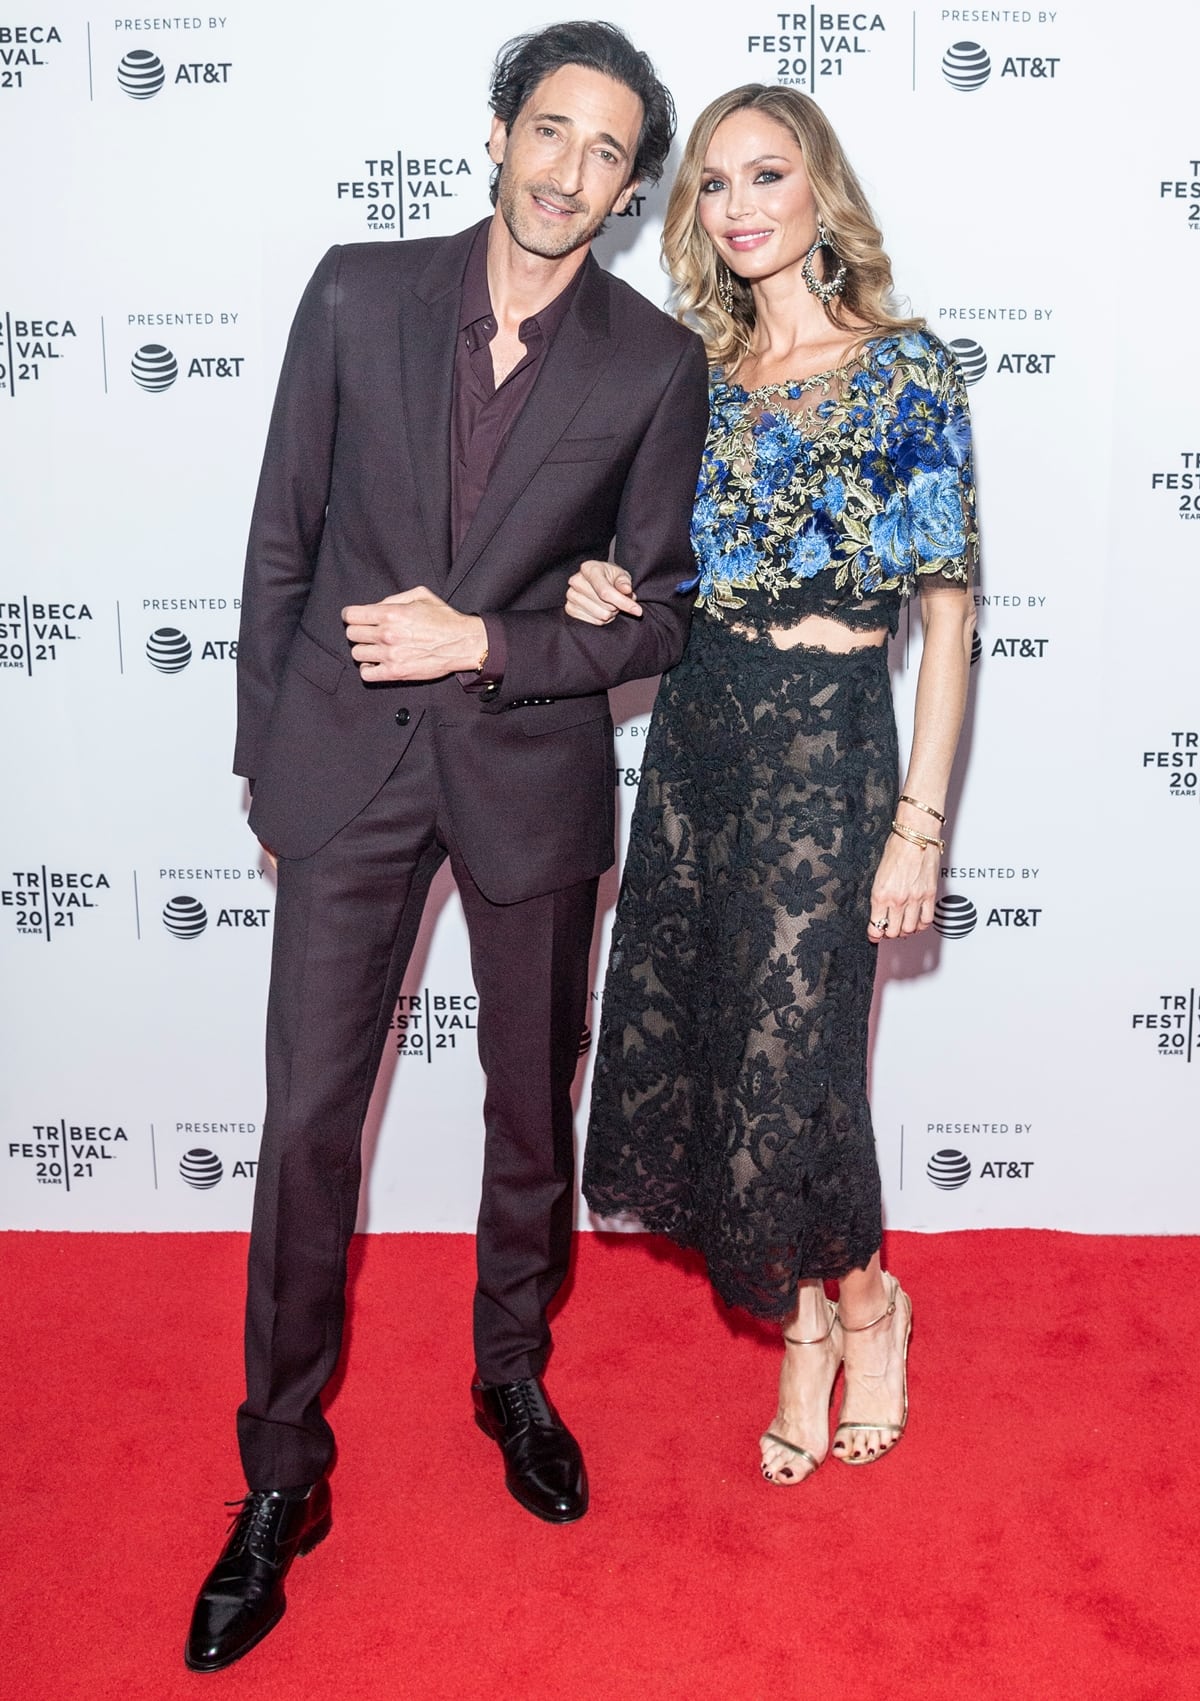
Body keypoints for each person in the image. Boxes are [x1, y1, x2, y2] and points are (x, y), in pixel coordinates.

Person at [185, 21, 709, 1673]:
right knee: (304, 1126)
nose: (568, 172)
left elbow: (663, 613)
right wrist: (272, 765)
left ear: (632, 187)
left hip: (532, 780)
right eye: (548, 131)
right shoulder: (354, 291)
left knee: (521, 1106)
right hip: (344, 776)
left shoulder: (651, 363)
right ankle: (280, 1470)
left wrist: (495, 639)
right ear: (496, 133)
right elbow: (280, 539)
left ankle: (510, 1367)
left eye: (607, 152)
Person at [568, 84, 977, 1488]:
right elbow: (656, 580)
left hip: (830, 753)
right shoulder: (694, 374)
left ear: (820, 193)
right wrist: (605, 582)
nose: (741, 206)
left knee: (796, 1082)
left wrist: (919, 820)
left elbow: (949, 618)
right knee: (716, 1056)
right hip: (697, 746)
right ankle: (804, 1319)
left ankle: (867, 1305)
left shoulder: (909, 368)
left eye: (768, 176)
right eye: (716, 186)